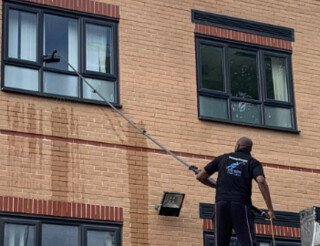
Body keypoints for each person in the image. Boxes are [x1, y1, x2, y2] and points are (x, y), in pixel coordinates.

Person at [196, 137, 275, 246]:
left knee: (220, 242)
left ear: (237, 146)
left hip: (221, 204)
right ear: (250, 149)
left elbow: (200, 176)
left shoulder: (222, 158)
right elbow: (261, 181)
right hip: (240, 205)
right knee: (248, 242)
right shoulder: (253, 162)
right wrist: (270, 209)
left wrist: (217, 186)